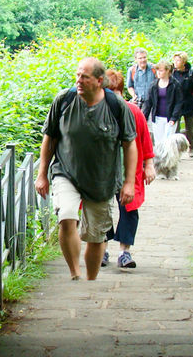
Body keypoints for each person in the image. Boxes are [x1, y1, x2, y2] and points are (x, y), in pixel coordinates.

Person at [35, 57, 138, 281]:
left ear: (100, 81)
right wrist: (42, 174)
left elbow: (130, 144)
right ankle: (75, 273)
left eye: (85, 77)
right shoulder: (64, 99)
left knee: (95, 236)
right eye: (77, 75)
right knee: (67, 216)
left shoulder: (116, 106)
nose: (79, 81)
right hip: (66, 172)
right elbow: (49, 138)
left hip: (102, 179)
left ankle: (91, 281)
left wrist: (129, 183)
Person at [100, 69, 156, 269]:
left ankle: (125, 252)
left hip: (128, 172)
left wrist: (149, 165)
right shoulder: (96, 110)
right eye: (109, 91)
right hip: (103, 172)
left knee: (129, 210)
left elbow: (145, 139)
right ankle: (102, 251)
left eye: (116, 92)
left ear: (121, 92)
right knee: (101, 210)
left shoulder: (134, 111)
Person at [142, 59, 183, 146]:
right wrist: (143, 118)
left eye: (161, 70)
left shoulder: (175, 85)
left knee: (168, 143)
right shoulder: (153, 85)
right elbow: (148, 103)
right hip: (157, 118)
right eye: (157, 70)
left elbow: (179, 103)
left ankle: (169, 159)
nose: (158, 73)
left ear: (168, 71)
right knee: (158, 142)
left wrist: (174, 118)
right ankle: (159, 159)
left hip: (170, 118)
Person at [172, 51, 193, 158]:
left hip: (189, 104)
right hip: (177, 105)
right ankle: (177, 150)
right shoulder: (172, 73)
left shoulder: (191, 73)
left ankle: (192, 147)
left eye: (178, 60)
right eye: (174, 60)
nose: (175, 62)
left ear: (184, 61)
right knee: (176, 129)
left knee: (190, 128)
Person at [126, 47, 155, 112]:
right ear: (136, 59)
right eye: (140, 58)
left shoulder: (153, 69)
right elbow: (129, 86)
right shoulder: (132, 70)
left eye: (144, 57)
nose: (143, 60)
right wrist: (134, 95)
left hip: (152, 104)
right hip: (138, 103)